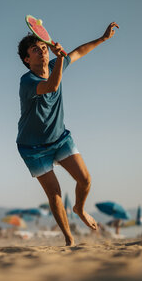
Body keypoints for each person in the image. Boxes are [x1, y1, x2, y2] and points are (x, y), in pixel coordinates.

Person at [16, 22, 119, 245]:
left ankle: (80, 209)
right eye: (36, 49)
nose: (42, 51)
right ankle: (69, 239)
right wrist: (61, 58)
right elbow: (52, 86)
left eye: (44, 48)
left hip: (59, 138)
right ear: (27, 60)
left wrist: (102, 39)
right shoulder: (27, 81)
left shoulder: (56, 65)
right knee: (54, 195)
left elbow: (79, 52)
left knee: (85, 179)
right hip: (32, 148)